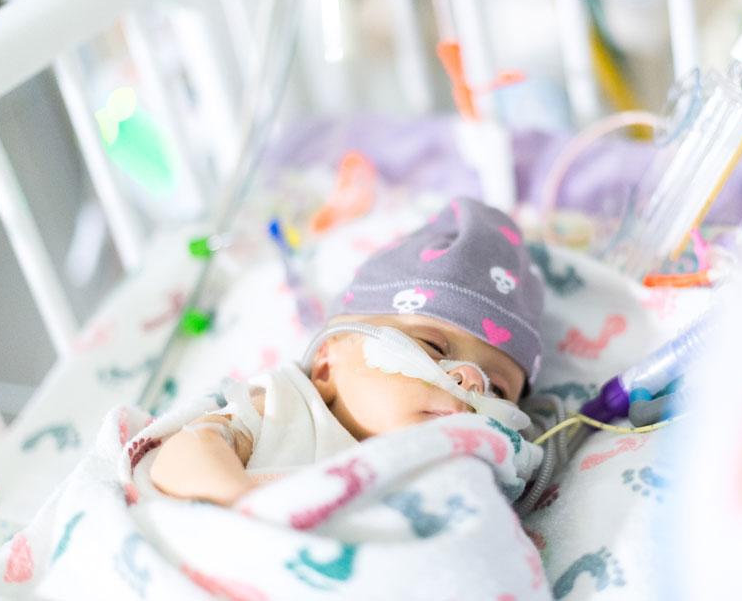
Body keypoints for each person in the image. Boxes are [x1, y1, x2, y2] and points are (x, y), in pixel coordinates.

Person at [149, 197, 544, 506]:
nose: (472, 382)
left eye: (498, 390)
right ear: (326, 362)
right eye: (433, 345)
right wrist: (248, 504)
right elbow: (181, 458)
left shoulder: (481, 471)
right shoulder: (283, 409)